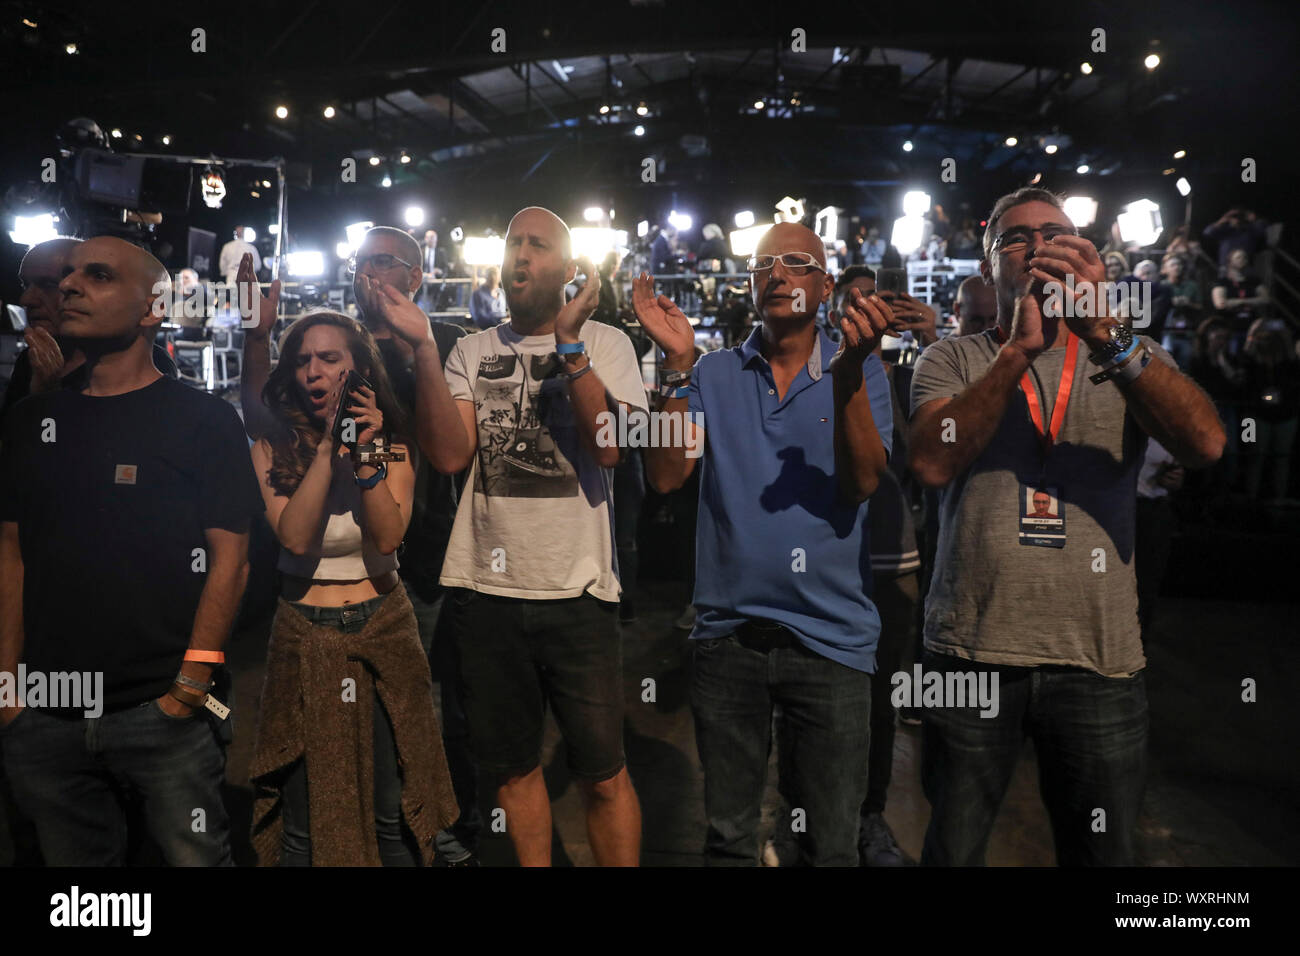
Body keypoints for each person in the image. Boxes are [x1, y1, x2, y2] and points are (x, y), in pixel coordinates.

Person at [908, 187, 1225, 866]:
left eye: (1056, 233)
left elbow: (1206, 446)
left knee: (1104, 856)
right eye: (1017, 238)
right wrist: (1017, 353)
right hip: (972, 651)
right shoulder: (953, 359)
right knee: (953, 849)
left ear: (1088, 257)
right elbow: (933, 462)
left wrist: (1108, 334)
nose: (1039, 247)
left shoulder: (1127, 358)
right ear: (989, 260)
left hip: (1099, 660)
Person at [368, 206, 647, 867]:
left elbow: (610, 451)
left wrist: (571, 349)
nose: (520, 254)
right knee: (514, 771)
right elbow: (448, 454)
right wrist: (425, 352)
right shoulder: (471, 348)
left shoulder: (608, 344)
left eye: (537, 244)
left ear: (569, 267)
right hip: (485, 592)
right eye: (513, 241)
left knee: (603, 774)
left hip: (578, 593)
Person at [634, 221, 894, 866]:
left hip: (831, 640)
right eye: (764, 265)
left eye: (797, 262)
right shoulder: (713, 373)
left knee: (829, 846)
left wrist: (851, 373)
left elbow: (864, 482)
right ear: (750, 283)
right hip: (728, 637)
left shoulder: (863, 370)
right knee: (728, 841)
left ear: (825, 285)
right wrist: (674, 366)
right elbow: (666, 476)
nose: (777, 274)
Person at [0, 236, 264, 865]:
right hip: (46, 712)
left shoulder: (203, 422)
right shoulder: (29, 423)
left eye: (97, 275)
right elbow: (10, 555)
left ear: (152, 309)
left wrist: (190, 686)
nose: (68, 286)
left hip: (162, 709)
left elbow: (231, 560)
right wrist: (8, 691)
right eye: (67, 275)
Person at [240, 226, 479, 864]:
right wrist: (326, 450)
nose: (316, 372)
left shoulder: (395, 430)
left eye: (331, 360)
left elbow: (387, 535)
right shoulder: (271, 447)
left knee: (395, 807)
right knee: (301, 814)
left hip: (386, 617)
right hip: (303, 628)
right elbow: (293, 535)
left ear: (357, 369)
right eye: (304, 361)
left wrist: (365, 457)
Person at [2, 237, 177, 422]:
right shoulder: (32, 360)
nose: (26, 299)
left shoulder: (147, 366)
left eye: (48, 285)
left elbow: (111, 443)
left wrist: (47, 399)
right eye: (25, 285)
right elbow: (15, 446)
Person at [1238, 319, 1300, 500]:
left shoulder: (1288, 362)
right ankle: (1251, 500)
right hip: (1257, 416)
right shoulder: (1252, 362)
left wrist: (1284, 334)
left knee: (1282, 460)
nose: (1267, 342)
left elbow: (1291, 357)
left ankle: (1278, 503)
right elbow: (1245, 361)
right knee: (1254, 458)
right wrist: (1252, 332)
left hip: (1285, 415)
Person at [1135, 439, 1183, 641]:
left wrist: (1177, 477)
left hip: (1151, 509)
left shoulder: (1166, 419)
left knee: (1145, 588)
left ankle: (1136, 657)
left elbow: (1181, 467)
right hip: (1109, 507)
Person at [1212, 249, 1269, 349]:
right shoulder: (1222, 282)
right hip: (1230, 327)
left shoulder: (1254, 281)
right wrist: (1252, 301)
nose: (1242, 259)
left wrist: (1239, 301)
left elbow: (1266, 299)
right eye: (1238, 257)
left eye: (1244, 257)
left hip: (1252, 325)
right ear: (1230, 261)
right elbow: (1220, 304)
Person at [1158, 254, 1201, 368]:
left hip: (1186, 334)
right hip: (1165, 334)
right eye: (1173, 265)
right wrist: (1169, 303)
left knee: (1184, 368)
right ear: (1165, 269)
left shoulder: (1192, 286)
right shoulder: (1160, 286)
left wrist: (1188, 304)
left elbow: (1200, 308)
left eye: (1179, 264)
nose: (1177, 267)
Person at [1202, 208, 1268, 270]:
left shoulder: (1250, 230)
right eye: (1233, 216)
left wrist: (1253, 219)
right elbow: (1207, 233)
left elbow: (1262, 229)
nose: (1236, 219)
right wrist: (1222, 220)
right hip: (1226, 270)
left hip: (1245, 269)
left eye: (1238, 216)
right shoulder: (1225, 231)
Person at [418, 229, 448, 312]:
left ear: (436, 239)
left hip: (435, 284)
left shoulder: (441, 252)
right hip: (421, 283)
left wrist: (440, 272)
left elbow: (446, 269)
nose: (431, 239)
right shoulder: (420, 251)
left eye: (433, 237)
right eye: (429, 237)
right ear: (425, 238)